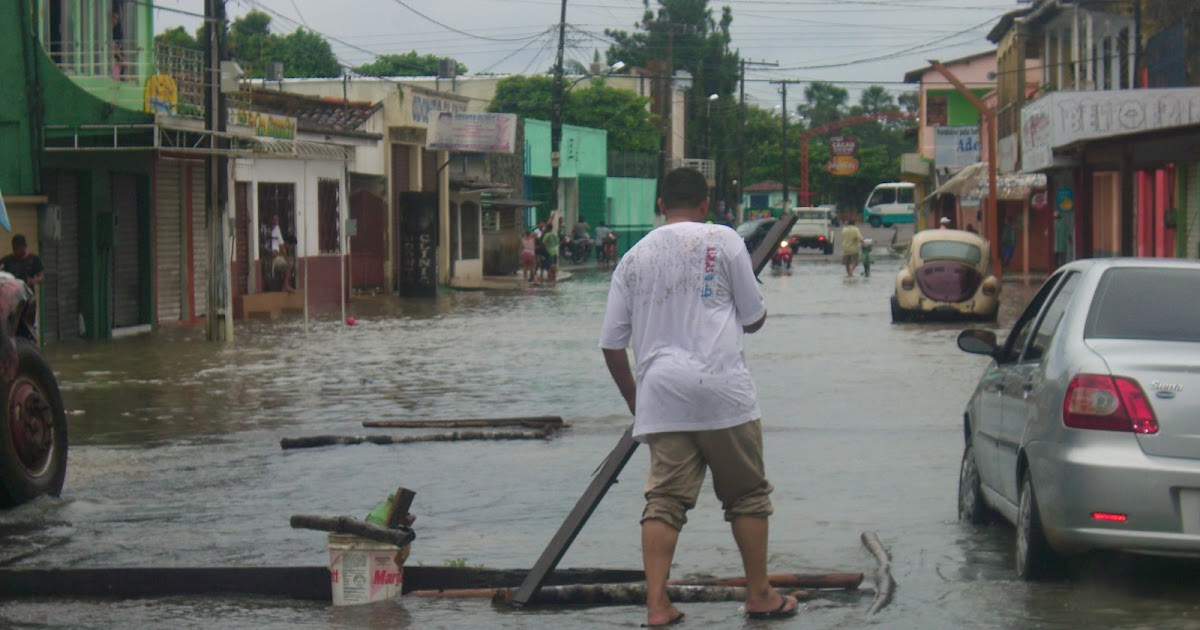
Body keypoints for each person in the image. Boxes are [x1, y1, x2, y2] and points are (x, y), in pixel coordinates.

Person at [598, 167, 799, 627]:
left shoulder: (631, 259)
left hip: (662, 396)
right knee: (747, 496)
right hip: (723, 390)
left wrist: (637, 401)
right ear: (706, 204)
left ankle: (656, 605)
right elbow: (753, 318)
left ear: (660, 206)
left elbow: (611, 344)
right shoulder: (724, 240)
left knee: (664, 501)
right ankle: (759, 595)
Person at [1, 234, 46, 340]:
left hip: (28, 302)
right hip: (12, 303)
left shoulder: (34, 259)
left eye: (18, 249)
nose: (15, 251)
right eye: (14, 249)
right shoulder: (8, 260)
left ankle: (31, 348)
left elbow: (42, 277)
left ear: (24, 247)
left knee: (29, 329)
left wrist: (33, 281)